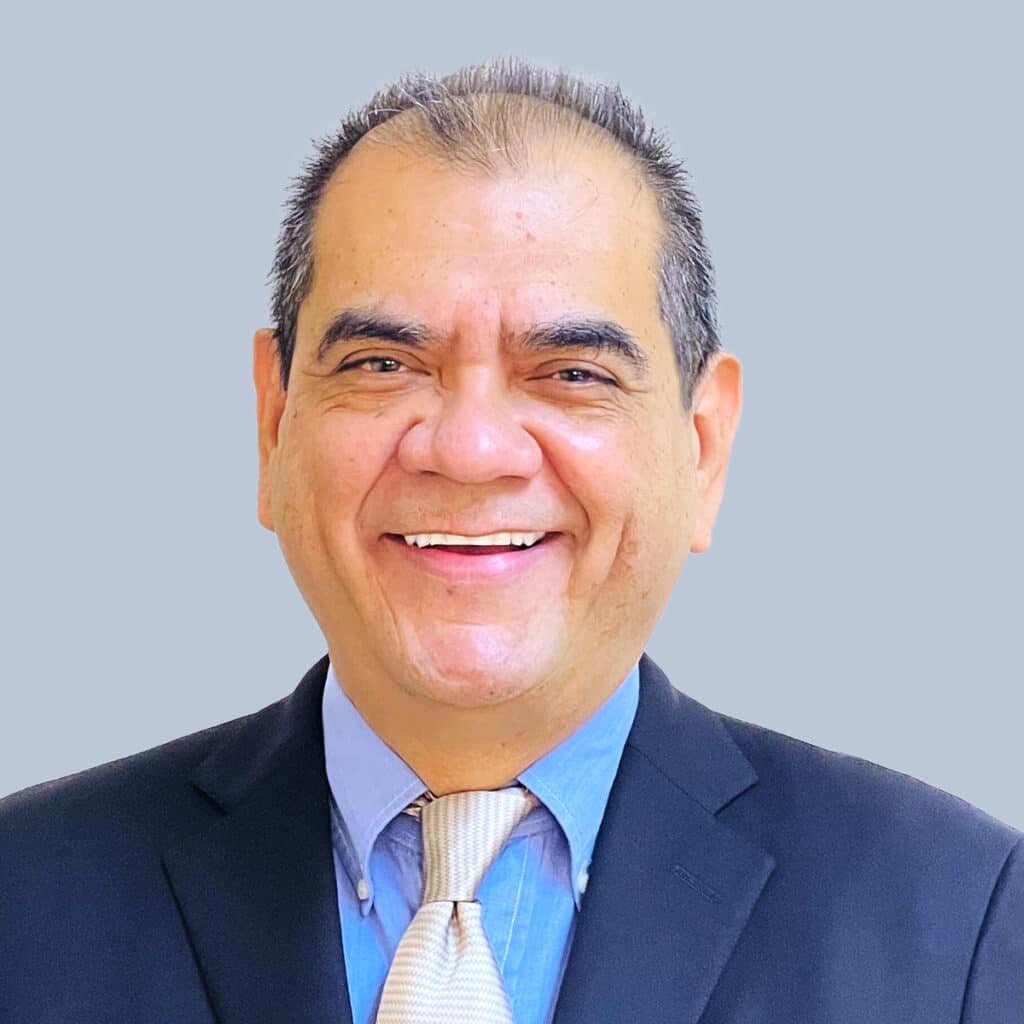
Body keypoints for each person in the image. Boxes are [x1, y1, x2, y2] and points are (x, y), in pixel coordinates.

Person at [1, 59, 1020, 1024]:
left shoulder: (958, 921)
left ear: (702, 448)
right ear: (273, 424)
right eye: (381, 363)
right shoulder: (27, 898)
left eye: (571, 371)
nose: (471, 447)